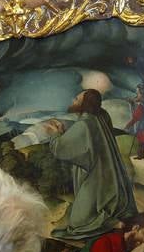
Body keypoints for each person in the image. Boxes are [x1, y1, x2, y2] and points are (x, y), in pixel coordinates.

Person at [47, 88, 137, 240]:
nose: (73, 101)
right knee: (79, 211)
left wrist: (55, 134)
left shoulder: (84, 124)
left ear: (84, 104)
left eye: (76, 99)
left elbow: (60, 148)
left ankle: (109, 223)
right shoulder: (101, 115)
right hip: (106, 174)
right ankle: (111, 218)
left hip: (95, 177)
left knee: (78, 222)